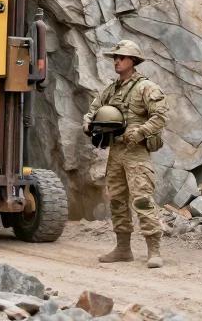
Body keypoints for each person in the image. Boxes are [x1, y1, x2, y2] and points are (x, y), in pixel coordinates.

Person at [83, 39, 169, 267]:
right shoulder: (111, 90)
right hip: (116, 152)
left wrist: (140, 132)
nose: (117, 61)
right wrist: (88, 123)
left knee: (142, 199)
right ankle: (123, 248)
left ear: (133, 60)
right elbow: (93, 110)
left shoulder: (146, 88)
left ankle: (154, 250)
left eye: (121, 57)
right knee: (117, 200)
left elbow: (160, 117)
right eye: (115, 58)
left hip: (137, 153)